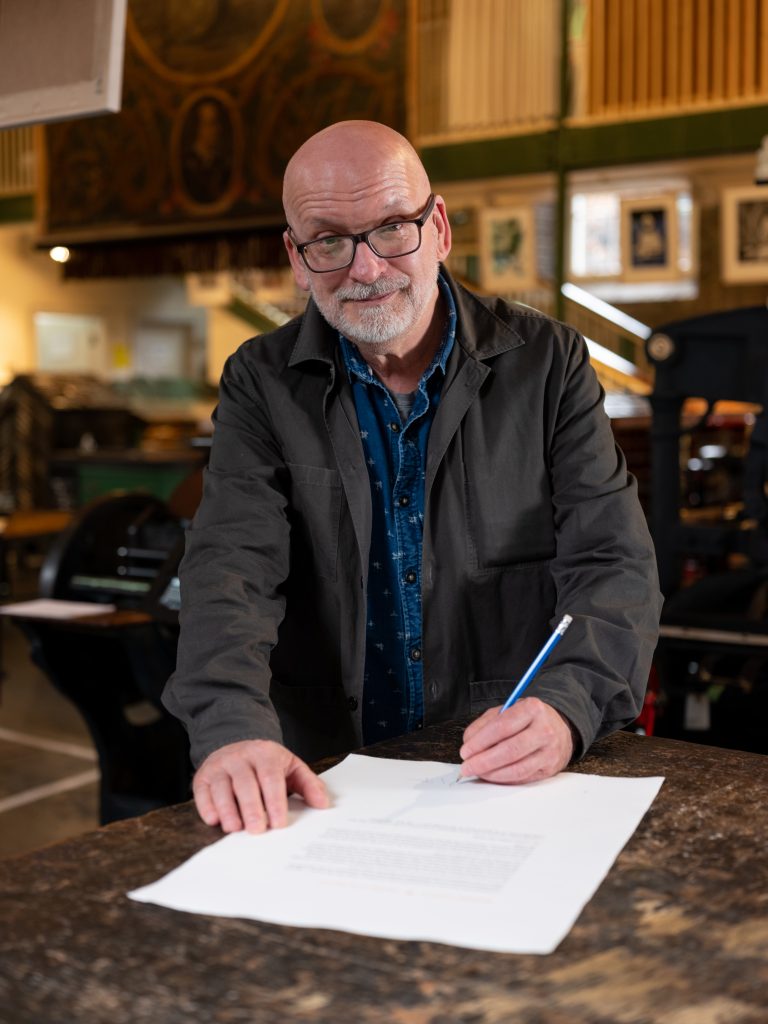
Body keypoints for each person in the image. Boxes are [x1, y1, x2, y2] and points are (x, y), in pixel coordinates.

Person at [163, 120, 662, 835]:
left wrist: (566, 706)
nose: (365, 269)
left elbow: (613, 564)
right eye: (329, 241)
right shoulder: (261, 380)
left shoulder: (548, 364)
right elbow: (229, 570)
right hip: (321, 783)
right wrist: (233, 727)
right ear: (297, 259)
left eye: (393, 227)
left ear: (440, 229)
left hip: (498, 775)